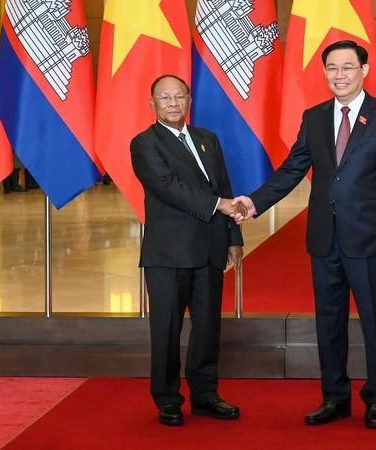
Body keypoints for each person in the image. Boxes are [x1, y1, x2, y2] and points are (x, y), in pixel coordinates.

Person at [233, 40, 376, 429]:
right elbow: (291, 169)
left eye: (348, 67)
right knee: (328, 322)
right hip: (324, 239)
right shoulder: (314, 117)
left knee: (374, 322)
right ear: (324, 72)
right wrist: (253, 203)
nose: (340, 75)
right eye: (332, 68)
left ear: (365, 70)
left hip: (371, 241)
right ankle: (334, 398)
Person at [131, 74, 246, 426]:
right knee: (166, 329)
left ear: (188, 101)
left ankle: (205, 394)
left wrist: (234, 238)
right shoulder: (145, 144)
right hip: (168, 253)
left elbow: (224, 185)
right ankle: (167, 398)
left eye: (179, 96)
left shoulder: (207, 139)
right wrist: (221, 205)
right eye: (164, 97)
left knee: (208, 326)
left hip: (210, 248)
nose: (172, 103)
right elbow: (169, 187)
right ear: (152, 104)